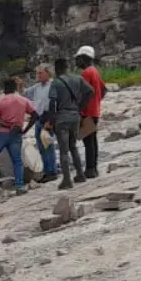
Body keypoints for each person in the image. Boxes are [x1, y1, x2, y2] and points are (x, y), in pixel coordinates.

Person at [47, 55, 92, 190]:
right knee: (73, 146)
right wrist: (80, 107)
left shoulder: (56, 82)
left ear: (56, 69)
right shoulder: (78, 78)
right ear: (67, 67)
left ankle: (67, 180)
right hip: (75, 116)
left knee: (63, 150)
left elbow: (52, 102)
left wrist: (51, 119)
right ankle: (80, 174)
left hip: (62, 118)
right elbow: (90, 91)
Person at [76, 45, 106, 179]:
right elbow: (103, 89)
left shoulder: (86, 73)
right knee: (92, 140)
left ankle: (90, 170)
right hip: (94, 111)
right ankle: (93, 168)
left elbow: (85, 92)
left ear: (83, 58)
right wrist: (97, 101)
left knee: (88, 142)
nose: (76, 62)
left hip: (86, 112)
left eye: (78, 59)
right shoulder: (95, 71)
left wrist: (79, 109)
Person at [25, 65, 58, 182]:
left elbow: (55, 103)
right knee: (41, 146)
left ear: (48, 73)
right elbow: (24, 94)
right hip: (38, 118)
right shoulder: (36, 87)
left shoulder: (53, 85)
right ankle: (47, 171)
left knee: (48, 144)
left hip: (49, 118)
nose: (38, 75)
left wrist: (51, 120)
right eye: (37, 73)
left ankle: (52, 171)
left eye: (41, 73)